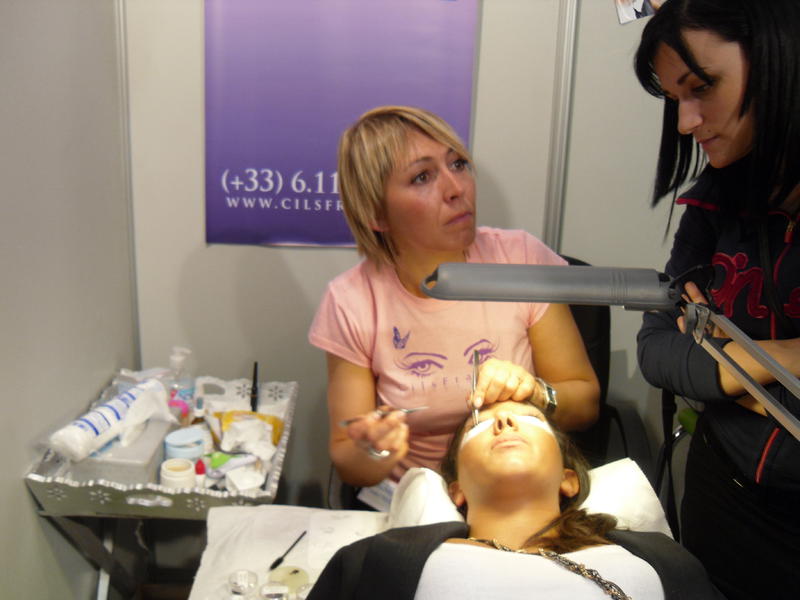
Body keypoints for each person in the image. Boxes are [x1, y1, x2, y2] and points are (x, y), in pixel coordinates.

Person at [308, 106, 600, 488]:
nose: (456, 189)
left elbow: (585, 405)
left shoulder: (520, 259)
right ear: (376, 214)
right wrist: (374, 450)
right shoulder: (352, 300)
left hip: (517, 489)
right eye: (422, 177)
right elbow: (350, 462)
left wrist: (536, 393)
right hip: (417, 498)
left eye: (458, 164)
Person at [633, 2, 800, 598]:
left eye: (701, 87)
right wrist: (777, 357)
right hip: (723, 493)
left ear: (778, 54)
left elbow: (688, 350)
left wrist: (719, 361)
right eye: (674, 98)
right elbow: (656, 348)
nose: (685, 122)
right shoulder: (713, 205)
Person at [308, 399, 723, 599]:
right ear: (457, 490)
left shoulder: (662, 560)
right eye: (478, 425)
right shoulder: (378, 560)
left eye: (530, 419)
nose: (505, 420)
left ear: (567, 480)